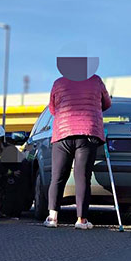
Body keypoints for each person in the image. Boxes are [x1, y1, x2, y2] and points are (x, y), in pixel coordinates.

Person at [44, 71, 111, 229]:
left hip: (63, 133)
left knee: (58, 176)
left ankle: (52, 218)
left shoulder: (58, 82)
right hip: (87, 132)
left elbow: (52, 109)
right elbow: (106, 104)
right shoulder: (96, 80)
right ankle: (81, 220)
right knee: (82, 177)